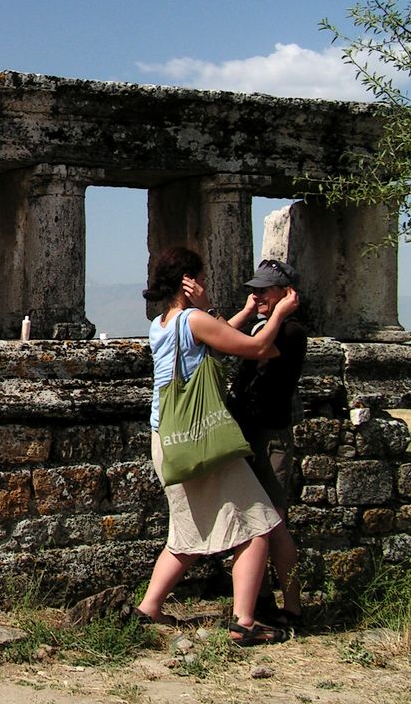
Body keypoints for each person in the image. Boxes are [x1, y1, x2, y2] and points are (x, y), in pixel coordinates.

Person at [134, 247, 298, 647]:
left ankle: (148, 608)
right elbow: (254, 348)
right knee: (258, 524)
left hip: (167, 439)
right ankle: (244, 621)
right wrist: (278, 314)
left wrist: (221, 311)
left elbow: (218, 336)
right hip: (200, 438)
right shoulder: (194, 319)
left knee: (187, 532)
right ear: (190, 282)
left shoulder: (161, 324)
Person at [223, 259, 306, 628]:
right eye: (253, 289)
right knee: (253, 520)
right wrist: (245, 312)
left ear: (286, 294)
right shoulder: (265, 325)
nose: (256, 295)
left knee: (273, 523)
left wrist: (280, 314)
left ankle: (293, 606)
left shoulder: (290, 333)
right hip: (249, 431)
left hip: (270, 436)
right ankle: (261, 599)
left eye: (264, 290)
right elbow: (223, 338)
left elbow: (254, 350)